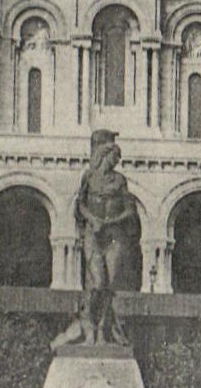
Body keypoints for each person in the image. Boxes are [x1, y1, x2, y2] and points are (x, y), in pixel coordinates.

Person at [51, 130, 139, 349]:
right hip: (94, 233)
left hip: (113, 236)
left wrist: (111, 222)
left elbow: (130, 210)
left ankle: (102, 332)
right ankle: (87, 326)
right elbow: (79, 205)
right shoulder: (89, 177)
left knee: (110, 284)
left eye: (117, 159)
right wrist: (93, 219)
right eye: (114, 157)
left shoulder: (120, 180)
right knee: (97, 283)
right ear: (104, 155)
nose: (116, 162)